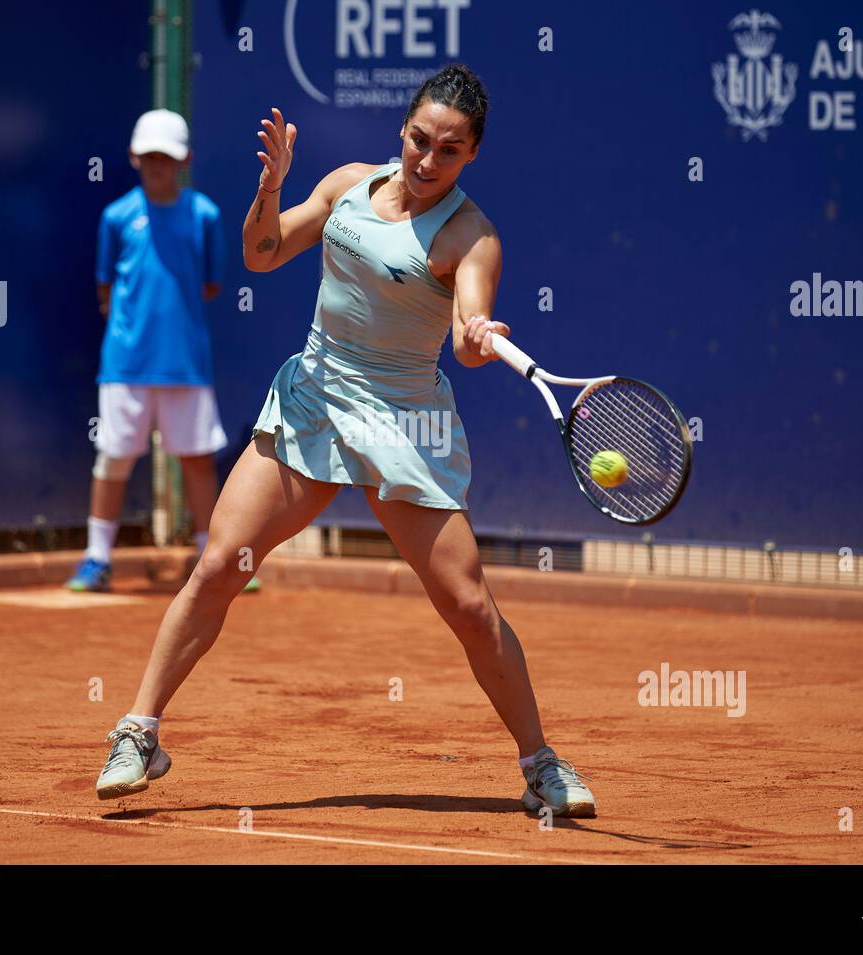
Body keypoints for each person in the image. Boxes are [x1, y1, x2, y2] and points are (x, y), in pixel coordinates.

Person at [94, 66, 595, 817]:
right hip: (314, 401)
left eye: (449, 151)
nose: (429, 162)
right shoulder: (347, 186)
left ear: (472, 156)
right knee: (219, 566)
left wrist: (477, 331)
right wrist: (272, 187)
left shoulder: (472, 236)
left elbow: (464, 334)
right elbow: (261, 253)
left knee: (469, 607)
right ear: (402, 131)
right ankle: (138, 731)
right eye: (421, 141)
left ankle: (541, 764)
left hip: (403, 422)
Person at [67, 109, 242, 593]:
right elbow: (106, 288)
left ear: (184, 159)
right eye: (148, 157)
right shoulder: (116, 217)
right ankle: (97, 558)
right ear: (133, 157)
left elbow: (209, 284)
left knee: (197, 461)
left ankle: (212, 559)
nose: (156, 165)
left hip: (187, 366)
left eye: (166, 157)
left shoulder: (204, 215)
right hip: (126, 366)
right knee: (113, 460)